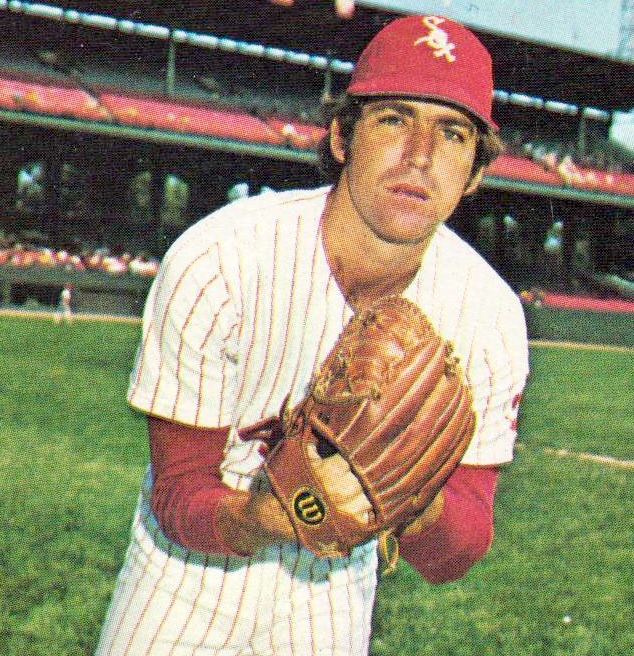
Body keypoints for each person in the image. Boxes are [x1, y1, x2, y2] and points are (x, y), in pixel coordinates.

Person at [95, 15, 529, 656]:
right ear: (342, 137)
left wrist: (415, 499)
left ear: (475, 173)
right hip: (184, 577)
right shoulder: (222, 258)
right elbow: (180, 489)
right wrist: (270, 515)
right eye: (394, 120)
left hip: (333, 591)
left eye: (453, 133)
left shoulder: (490, 316)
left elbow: (455, 554)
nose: (420, 155)